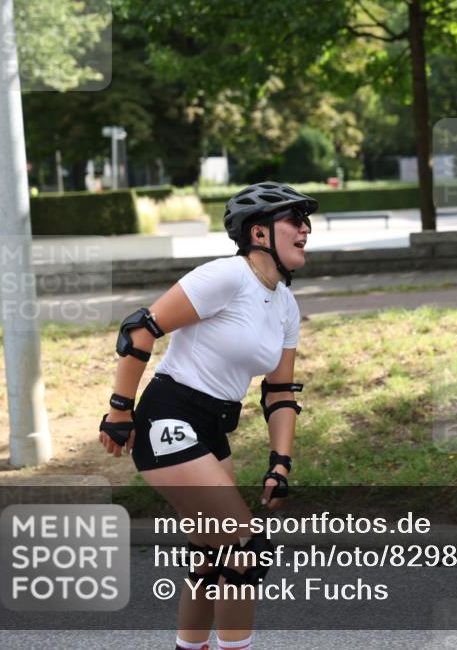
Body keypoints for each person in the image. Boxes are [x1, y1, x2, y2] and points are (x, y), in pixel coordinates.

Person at [99, 182, 317, 650]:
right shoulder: (225, 276)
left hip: (213, 427)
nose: (305, 229)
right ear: (259, 234)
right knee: (245, 549)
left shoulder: (285, 304)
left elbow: (279, 392)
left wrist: (281, 462)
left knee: (211, 556)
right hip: (168, 416)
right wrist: (120, 410)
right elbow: (141, 328)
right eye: (294, 221)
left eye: (306, 221)